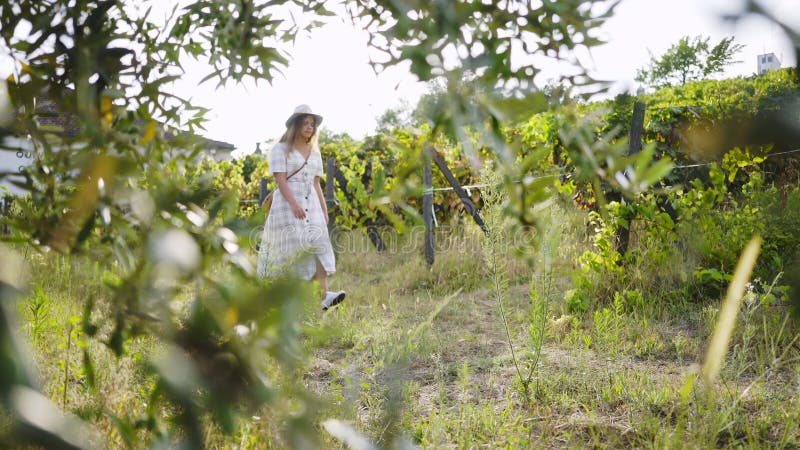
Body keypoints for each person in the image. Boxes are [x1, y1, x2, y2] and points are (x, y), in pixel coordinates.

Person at [256, 105, 345, 310]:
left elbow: (316, 184)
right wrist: (294, 205)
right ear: (295, 125)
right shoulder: (281, 149)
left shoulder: (315, 153)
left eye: (312, 124)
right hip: (287, 204)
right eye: (305, 123)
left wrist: (323, 211)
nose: (309, 127)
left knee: (318, 245)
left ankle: (325, 295)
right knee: (291, 250)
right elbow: (281, 180)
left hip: (311, 203)